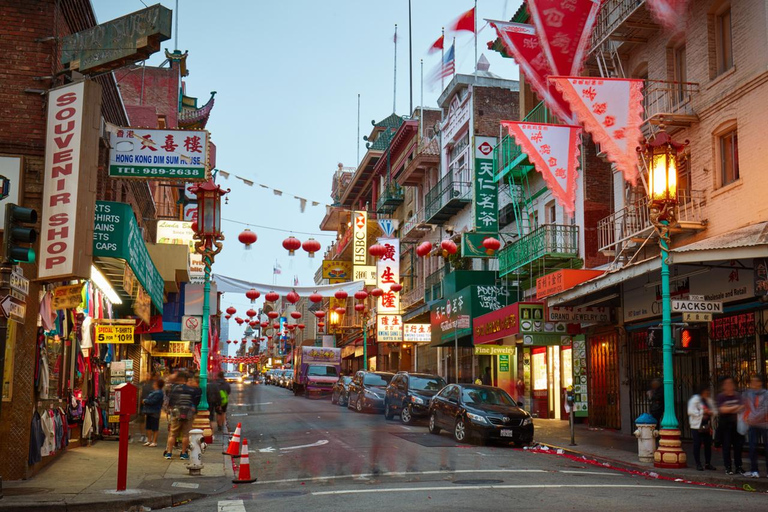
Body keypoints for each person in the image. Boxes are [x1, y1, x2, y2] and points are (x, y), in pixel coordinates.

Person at [163, 371, 197, 461]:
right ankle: (183, 453)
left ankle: (169, 453)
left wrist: (169, 409)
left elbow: (169, 402)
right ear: (186, 380)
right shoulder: (191, 390)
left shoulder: (174, 389)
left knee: (172, 434)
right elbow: (194, 402)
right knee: (186, 435)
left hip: (176, 413)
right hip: (188, 414)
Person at [716, 376, 745, 475]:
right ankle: (728, 467)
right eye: (727, 384)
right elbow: (722, 410)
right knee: (726, 446)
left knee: (738, 446)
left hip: (736, 424)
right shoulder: (721, 396)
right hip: (725, 425)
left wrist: (730, 408)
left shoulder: (737, 395)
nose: (729, 386)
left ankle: (739, 466)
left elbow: (742, 407)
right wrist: (735, 407)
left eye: (731, 383)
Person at [743, 373, 768, 478]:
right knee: (753, 447)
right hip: (752, 424)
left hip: (764, 424)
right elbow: (745, 406)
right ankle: (754, 470)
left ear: (760, 383)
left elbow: (764, 409)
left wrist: (753, 418)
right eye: (751, 381)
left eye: (755, 381)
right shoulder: (749, 394)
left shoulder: (766, 394)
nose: (752, 383)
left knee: (767, 447)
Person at [687, 384, 716, 471]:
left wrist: (711, 412)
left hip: (707, 425)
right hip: (696, 425)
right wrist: (703, 412)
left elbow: (714, 410)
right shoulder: (695, 400)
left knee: (708, 444)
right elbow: (691, 411)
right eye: (706, 392)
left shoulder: (708, 400)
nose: (707, 393)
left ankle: (708, 463)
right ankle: (698, 463)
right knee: (697, 444)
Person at [141, 379, 165, 447]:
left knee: (154, 427)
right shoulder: (155, 392)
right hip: (150, 411)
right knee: (148, 426)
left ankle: (154, 441)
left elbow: (153, 401)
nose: (153, 385)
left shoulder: (158, 393)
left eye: (155, 383)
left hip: (154, 411)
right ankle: (149, 440)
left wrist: (145, 401)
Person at [138, 372, 157, 443]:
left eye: (148, 375)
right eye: (145, 375)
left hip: (150, 403)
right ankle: (143, 435)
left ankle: (149, 436)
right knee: (141, 420)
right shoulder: (142, 383)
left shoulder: (153, 383)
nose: (146, 376)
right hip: (142, 403)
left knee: (149, 420)